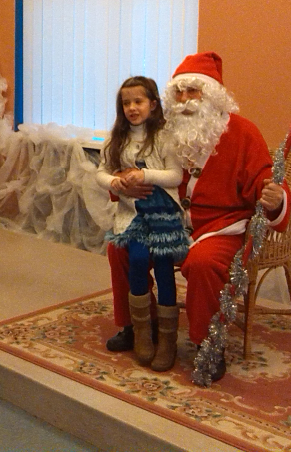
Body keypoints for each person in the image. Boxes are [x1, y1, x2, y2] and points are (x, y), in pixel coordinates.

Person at [108, 52, 291, 382]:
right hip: (166, 221)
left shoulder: (244, 133)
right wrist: (124, 184)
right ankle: (137, 325)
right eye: (178, 92)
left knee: (203, 263)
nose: (185, 101)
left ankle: (208, 343)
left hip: (219, 228)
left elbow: (265, 181)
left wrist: (275, 197)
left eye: (193, 91)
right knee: (120, 247)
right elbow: (134, 165)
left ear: (213, 96)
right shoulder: (162, 130)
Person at [96, 77, 189, 372]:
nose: (132, 108)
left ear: (153, 104)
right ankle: (141, 332)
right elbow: (101, 171)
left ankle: (168, 338)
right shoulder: (117, 139)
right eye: (126, 103)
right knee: (135, 259)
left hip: (163, 218)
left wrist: (145, 175)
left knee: (163, 267)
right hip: (132, 217)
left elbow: (175, 175)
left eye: (138, 101)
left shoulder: (164, 137)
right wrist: (114, 182)